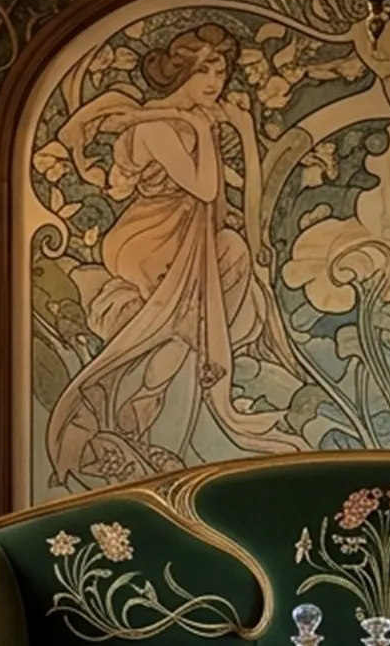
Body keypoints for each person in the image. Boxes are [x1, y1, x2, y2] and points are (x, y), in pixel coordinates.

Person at [41, 25, 294, 484]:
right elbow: (204, 187)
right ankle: (125, 413)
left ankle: (142, 413)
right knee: (179, 317)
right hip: (145, 237)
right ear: (182, 73)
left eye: (221, 69)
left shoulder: (194, 121)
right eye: (204, 70)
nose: (216, 81)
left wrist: (239, 131)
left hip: (185, 233)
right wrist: (204, 127)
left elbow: (232, 205)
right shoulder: (158, 126)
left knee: (219, 276)